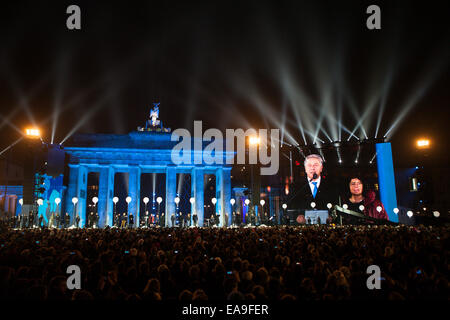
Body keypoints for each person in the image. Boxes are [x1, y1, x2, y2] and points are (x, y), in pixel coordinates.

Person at [289, 154, 337, 219]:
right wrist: (298, 217)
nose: (312, 168)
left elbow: (336, 206)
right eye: (309, 165)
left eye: (316, 165)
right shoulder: (296, 187)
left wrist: (331, 216)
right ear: (305, 169)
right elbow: (292, 207)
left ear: (321, 168)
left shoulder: (331, 186)